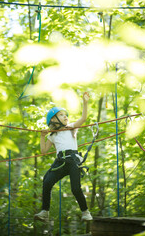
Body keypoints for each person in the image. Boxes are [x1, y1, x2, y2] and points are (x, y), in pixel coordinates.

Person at [34, 92, 93, 222]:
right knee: (47, 181)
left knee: (75, 188)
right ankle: (45, 211)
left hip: (72, 160)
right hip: (60, 161)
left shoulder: (70, 127)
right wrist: (42, 136)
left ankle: (85, 212)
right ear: (53, 120)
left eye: (65, 114)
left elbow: (83, 119)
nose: (65, 116)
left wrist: (85, 103)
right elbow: (44, 150)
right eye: (61, 115)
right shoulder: (52, 135)